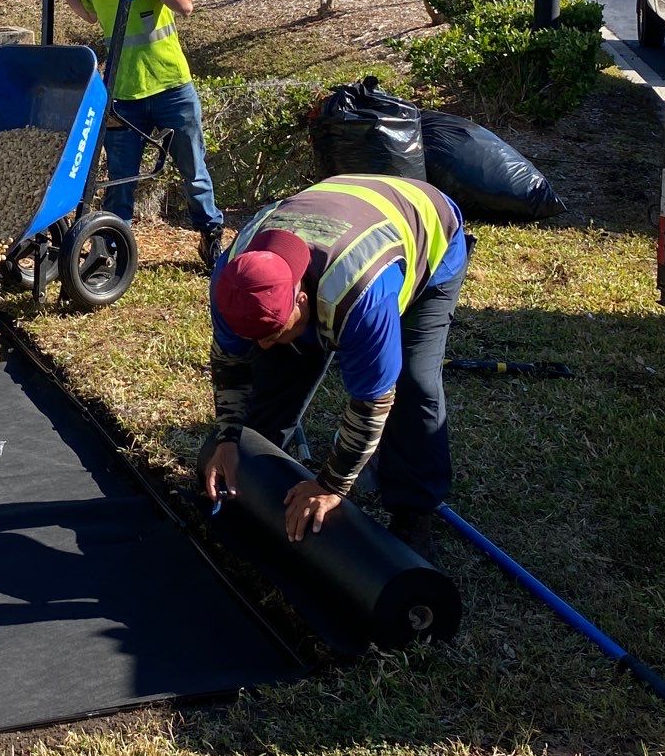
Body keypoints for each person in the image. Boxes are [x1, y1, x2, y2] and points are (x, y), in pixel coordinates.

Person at [197, 173, 468, 555]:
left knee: (413, 382)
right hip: (338, 206)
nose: (264, 342)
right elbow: (231, 363)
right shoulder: (233, 280)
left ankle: (413, 513)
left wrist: (330, 486)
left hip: (427, 228)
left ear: (302, 301)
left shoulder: (359, 294)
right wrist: (229, 439)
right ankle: (264, 465)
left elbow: (373, 402)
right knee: (278, 364)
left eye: (274, 329)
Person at [53, 0, 224, 267]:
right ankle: (114, 253)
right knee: (119, 181)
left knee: (193, 171)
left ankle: (211, 237)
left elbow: (184, 4)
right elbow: (89, 14)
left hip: (171, 87)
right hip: (123, 94)